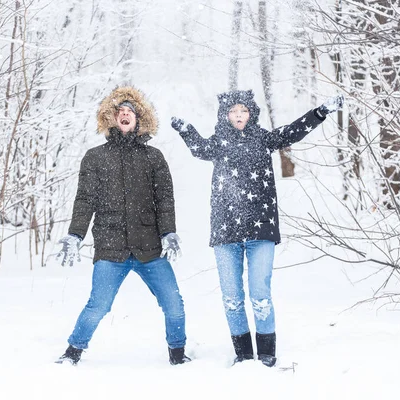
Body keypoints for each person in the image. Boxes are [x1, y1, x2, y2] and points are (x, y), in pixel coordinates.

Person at [171, 90, 343, 367]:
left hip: (261, 230)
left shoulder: (263, 139)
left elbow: (293, 132)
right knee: (232, 298)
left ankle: (266, 353)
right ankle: (243, 354)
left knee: (260, 295)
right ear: (225, 115)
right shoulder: (218, 143)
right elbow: (198, 148)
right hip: (225, 232)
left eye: (244, 111)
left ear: (251, 114)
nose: (238, 116)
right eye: (233, 111)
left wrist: (320, 112)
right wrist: (186, 129)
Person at [56, 86, 189, 366]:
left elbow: (164, 199)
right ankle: (72, 352)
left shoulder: (153, 157)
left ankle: (178, 355)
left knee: (174, 304)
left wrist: (169, 232)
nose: (125, 115)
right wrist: (74, 235)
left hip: (149, 248)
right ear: (112, 119)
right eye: (120, 112)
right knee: (98, 306)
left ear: (140, 118)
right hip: (111, 248)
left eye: (130, 111)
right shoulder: (95, 157)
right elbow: (84, 200)